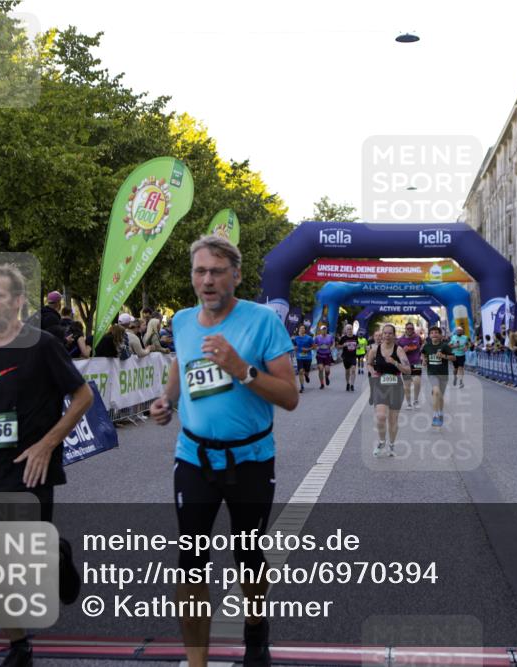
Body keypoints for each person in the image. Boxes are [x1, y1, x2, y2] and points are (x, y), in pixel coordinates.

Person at [148, 235, 297, 667]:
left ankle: (256, 627)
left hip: (250, 459)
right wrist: (167, 401)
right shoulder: (181, 321)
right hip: (194, 457)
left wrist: (241, 369)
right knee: (190, 559)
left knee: (248, 555)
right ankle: (197, 662)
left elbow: (290, 396)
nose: (207, 280)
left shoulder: (263, 321)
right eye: (200, 271)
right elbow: (181, 363)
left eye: (216, 271)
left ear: (236, 275)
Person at [0, 264, 92, 667]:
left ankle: (56, 554)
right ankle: (19, 647)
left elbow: (83, 396)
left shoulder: (43, 345)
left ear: (17, 301)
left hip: (32, 464)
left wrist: (47, 444)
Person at [366, 324, 410, 456]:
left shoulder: (399, 350)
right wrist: (372, 371)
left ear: (394, 335)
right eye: (385, 333)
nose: (387, 335)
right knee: (380, 416)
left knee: (392, 420)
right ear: (382, 334)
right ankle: (381, 442)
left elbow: (408, 370)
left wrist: (395, 363)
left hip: (396, 386)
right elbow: (368, 363)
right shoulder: (375, 350)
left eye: (390, 333)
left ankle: (391, 445)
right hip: (380, 385)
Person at [421, 326, 455, 428]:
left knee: (440, 396)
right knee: (436, 392)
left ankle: (440, 412)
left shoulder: (445, 346)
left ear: (440, 335)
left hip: (443, 374)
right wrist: (424, 360)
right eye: (432, 333)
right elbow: (423, 354)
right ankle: (435, 416)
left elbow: (453, 358)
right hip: (432, 373)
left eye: (436, 332)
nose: (434, 334)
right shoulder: (427, 346)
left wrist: (444, 356)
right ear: (429, 335)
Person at [397, 322, 423, 409]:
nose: (410, 330)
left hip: (416, 363)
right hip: (405, 365)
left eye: (411, 328)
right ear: (405, 329)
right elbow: (397, 352)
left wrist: (422, 356)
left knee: (417, 381)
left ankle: (416, 400)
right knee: (407, 386)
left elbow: (421, 346)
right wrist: (403, 351)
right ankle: (408, 403)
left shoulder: (418, 338)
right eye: (408, 328)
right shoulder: (400, 340)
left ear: (413, 329)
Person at [292, 324, 315, 393]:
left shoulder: (309, 338)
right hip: (299, 357)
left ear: (305, 330)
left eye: (303, 328)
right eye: (301, 328)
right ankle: (302, 386)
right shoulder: (296, 338)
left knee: (306, 372)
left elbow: (314, 347)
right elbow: (294, 346)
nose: (302, 329)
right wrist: (295, 348)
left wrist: (308, 349)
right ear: (299, 330)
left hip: (308, 358)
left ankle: (306, 375)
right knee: (300, 371)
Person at [336, 323, 358, 391]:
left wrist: (358, 346)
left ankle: (352, 385)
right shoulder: (343, 338)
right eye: (348, 329)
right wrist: (343, 345)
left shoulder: (355, 337)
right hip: (346, 357)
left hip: (353, 356)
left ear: (352, 329)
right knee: (347, 371)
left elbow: (357, 345)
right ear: (346, 330)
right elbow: (338, 346)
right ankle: (348, 383)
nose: (349, 330)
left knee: (353, 370)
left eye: (350, 329)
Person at [313, 324, 335, 389]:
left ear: (326, 330)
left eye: (325, 329)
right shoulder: (317, 337)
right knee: (321, 369)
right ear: (321, 330)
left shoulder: (330, 337)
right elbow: (314, 345)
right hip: (320, 355)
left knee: (327, 370)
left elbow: (333, 343)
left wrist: (332, 347)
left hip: (327, 355)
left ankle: (327, 376)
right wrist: (316, 347)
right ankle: (322, 383)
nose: (324, 330)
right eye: (323, 329)